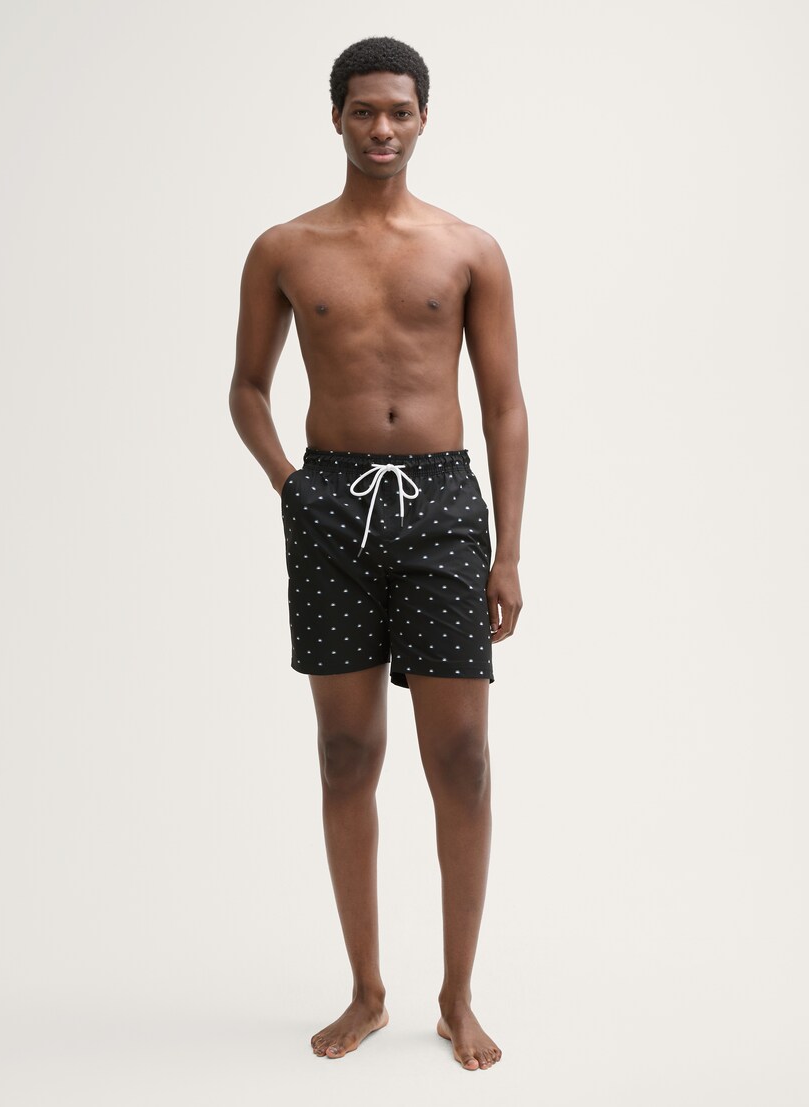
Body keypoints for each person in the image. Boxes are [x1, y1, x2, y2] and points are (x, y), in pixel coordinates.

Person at [229, 36, 527, 1072]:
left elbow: (504, 406)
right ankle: (365, 990)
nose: (382, 128)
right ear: (337, 118)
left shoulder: (468, 249)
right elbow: (247, 389)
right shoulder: (285, 248)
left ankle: (457, 997)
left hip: (443, 504)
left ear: (423, 117)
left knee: (464, 759)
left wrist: (508, 552)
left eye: (399, 110)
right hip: (331, 508)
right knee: (347, 754)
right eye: (364, 111)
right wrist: (292, 486)